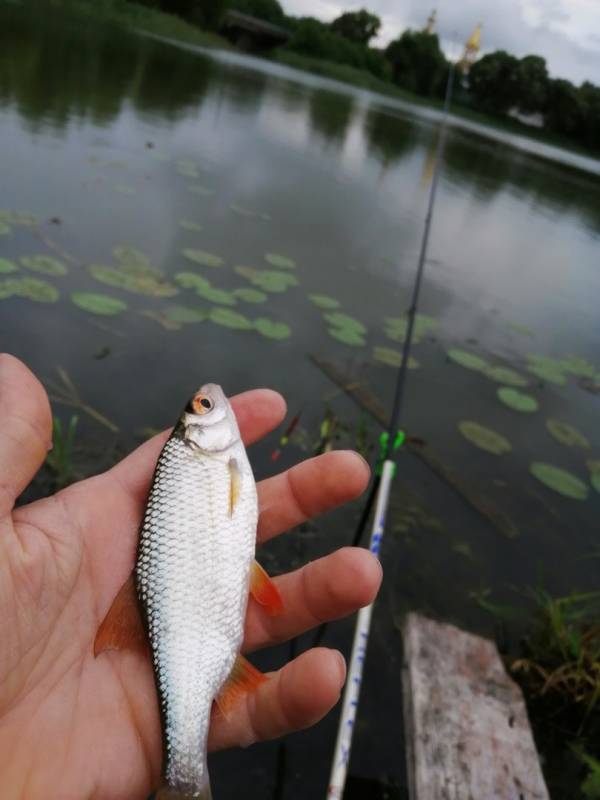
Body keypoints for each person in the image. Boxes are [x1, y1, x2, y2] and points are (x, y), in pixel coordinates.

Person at [0, 354, 382, 800]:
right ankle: (183, 777)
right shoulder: (202, 460)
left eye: (201, 405)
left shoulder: (203, 460)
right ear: (197, 432)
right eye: (202, 406)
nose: (209, 400)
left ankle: (181, 776)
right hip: (184, 602)